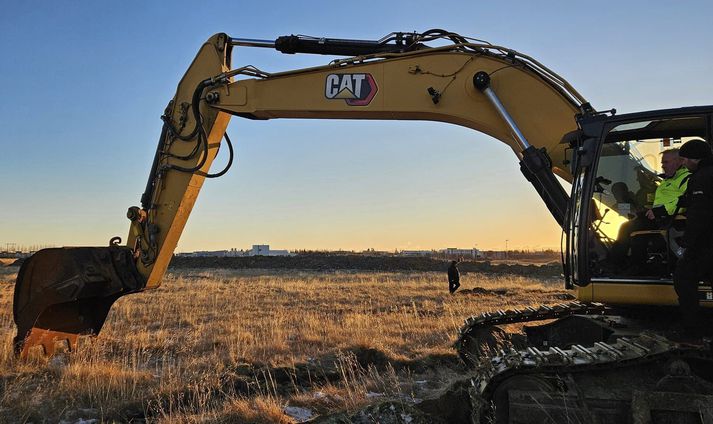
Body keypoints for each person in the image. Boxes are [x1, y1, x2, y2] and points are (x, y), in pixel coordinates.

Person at [611, 149, 690, 270]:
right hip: (660, 217)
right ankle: (637, 268)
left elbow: (685, 200)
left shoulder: (686, 179)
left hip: (671, 219)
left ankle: (614, 263)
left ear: (679, 161)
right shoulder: (668, 180)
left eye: (666, 162)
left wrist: (660, 211)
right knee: (637, 236)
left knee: (626, 227)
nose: (662, 166)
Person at [673, 138, 713, 337]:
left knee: (683, 278)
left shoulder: (702, 178)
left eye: (685, 158)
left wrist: (685, 247)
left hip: (705, 244)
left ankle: (692, 332)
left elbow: (699, 216)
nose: (683, 163)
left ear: (695, 159)